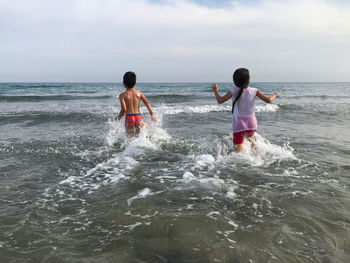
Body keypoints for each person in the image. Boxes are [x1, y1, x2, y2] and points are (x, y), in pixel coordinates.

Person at [211, 68, 280, 152]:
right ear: (248, 80)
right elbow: (269, 100)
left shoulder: (233, 90)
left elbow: (220, 100)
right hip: (252, 123)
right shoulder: (254, 90)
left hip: (239, 124)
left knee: (238, 152)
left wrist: (215, 90)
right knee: (252, 145)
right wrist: (275, 95)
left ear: (235, 80)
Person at [116, 71, 157, 135]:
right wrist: (152, 114)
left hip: (129, 118)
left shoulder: (122, 95)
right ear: (135, 83)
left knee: (129, 138)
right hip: (138, 116)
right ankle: (144, 125)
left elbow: (124, 109)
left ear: (123, 83)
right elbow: (147, 103)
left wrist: (119, 117)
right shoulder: (139, 93)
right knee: (139, 136)